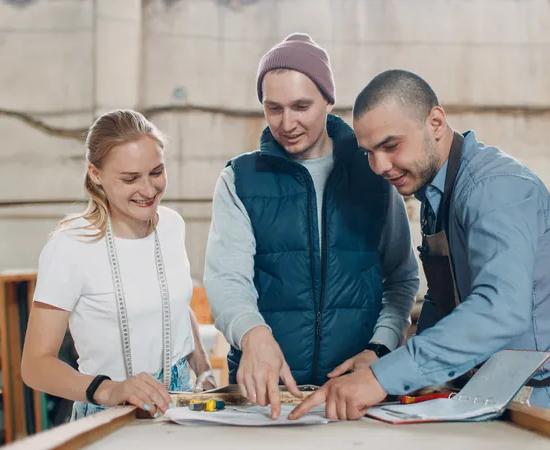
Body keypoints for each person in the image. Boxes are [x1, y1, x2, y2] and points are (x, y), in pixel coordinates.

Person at [290, 69, 550, 421]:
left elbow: (500, 308)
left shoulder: (495, 188)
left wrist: (383, 378)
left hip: (548, 410)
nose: (379, 166)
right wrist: (383, 362)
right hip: (488, 404)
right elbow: (444, 301)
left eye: (391, 145)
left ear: (436, 122)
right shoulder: (436, 196)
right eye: (369, 152)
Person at [204, 34, 420, 419]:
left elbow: (401, 279)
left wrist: (380, 349)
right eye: (274, 109)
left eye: (301, 106)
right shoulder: (240, 178)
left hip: (357, 393)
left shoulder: (374, 170)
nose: (287, 123)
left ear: (328, 100)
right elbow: (226, 278)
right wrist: (252, 334)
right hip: (266, 398)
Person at [21, 109, 217, 420]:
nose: (149, 190)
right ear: (96, 175)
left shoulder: (171, 225)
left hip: (178, 404)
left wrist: (204, 372)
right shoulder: (71, 245)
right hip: (108, 410)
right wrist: (110, 390)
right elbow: (35, 365)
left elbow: (176, 306)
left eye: (156, 172)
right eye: (130, 179)